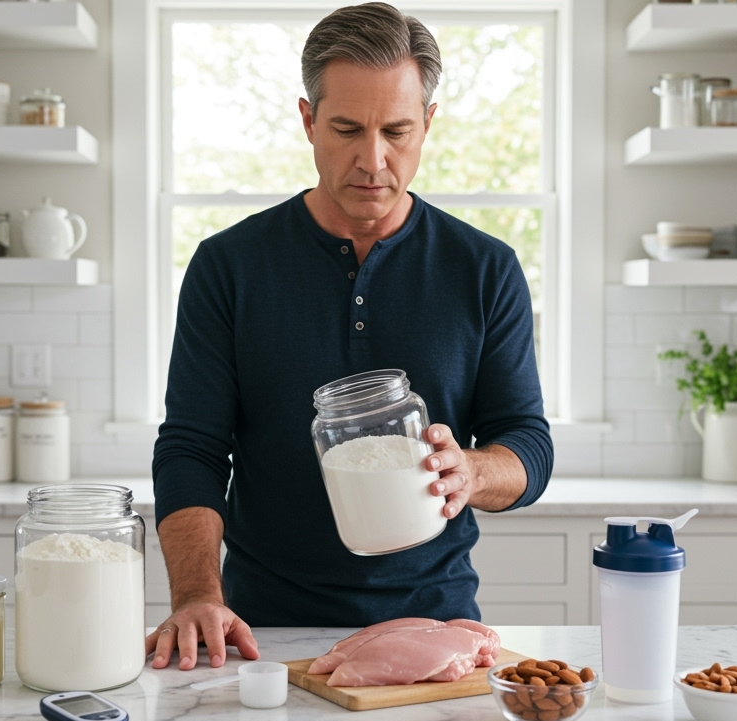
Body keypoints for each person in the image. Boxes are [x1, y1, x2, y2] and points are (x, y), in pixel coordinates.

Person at [148, 1, 553, 671]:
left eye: (397, 130)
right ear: (308, 121)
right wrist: (196, 595)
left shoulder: (484, 269)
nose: (373, 159)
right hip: (262, 636)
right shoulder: (230, 266)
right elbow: (191, 446)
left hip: (440, 632)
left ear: (428, 123)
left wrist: (472, 470)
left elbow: (529, 445)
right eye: (345, 129)